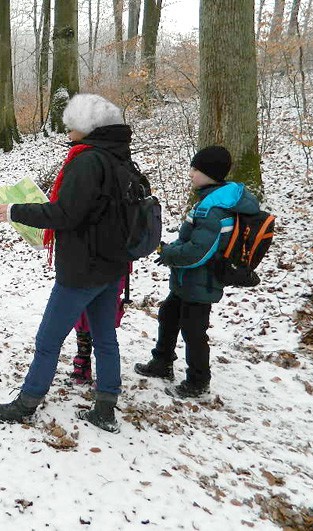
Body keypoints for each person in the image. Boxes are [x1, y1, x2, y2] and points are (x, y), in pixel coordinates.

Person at [0, 94, 134, 433]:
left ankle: (27, 403)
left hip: (82, 269)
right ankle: (106, 407)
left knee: (48, 339)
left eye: (71, 127)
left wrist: (15, 210)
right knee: (105, 338)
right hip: (112, 265)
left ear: (87, 128)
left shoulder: (87, 161)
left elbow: (65, 214)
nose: (68, 134)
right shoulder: (119, 157)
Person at [134, 146, 260, 399]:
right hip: (189, 280)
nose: (191, 173)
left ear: (209, 173)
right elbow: (192, 240)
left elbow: (198, 252)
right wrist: (172, 249)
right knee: (169, 315)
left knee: (193, 331)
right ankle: (162, 362)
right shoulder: (211, 199)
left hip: (202, 281)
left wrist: (170, 254)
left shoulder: (213, 209)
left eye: (196, 169)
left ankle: (198, 381)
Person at [68, 268, 129, 386]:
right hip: (83, 267)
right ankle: (84, 363)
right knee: (83, 314)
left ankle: (107, 383)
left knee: (104, 324)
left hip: (113, 269)